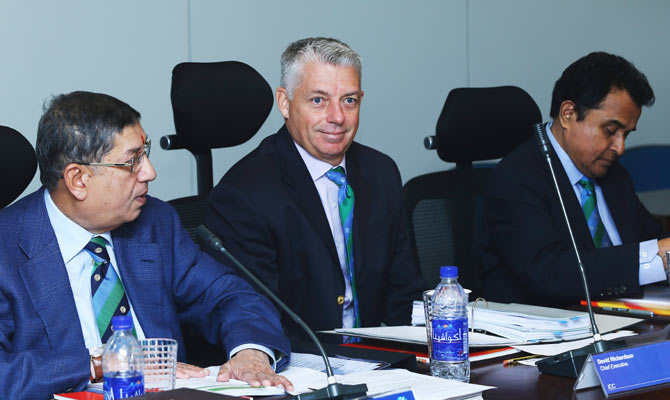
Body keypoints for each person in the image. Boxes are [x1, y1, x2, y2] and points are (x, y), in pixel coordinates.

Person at [0, 91, 293, 399]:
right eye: (132, 161)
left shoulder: (154, 223)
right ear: (78, 179)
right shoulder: (7, 247)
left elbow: (230, 295)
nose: (150, 172)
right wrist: (105, 363)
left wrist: (252, 352)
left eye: (146, 153)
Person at [206, 37, 426, 344]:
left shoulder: (380, 172)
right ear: (285, 102)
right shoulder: (245, 193)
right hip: (301, 365)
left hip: (381, 360)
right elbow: (253, 318)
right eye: (318, 101)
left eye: (349, 100)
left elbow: (405, 296)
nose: (337, 117)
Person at [480, 52, 670, 306]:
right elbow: (550, 273)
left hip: (630, 324)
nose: (620, 147)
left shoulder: (613, 174)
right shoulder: (516, 177)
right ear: (568, 114)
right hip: (551, 332)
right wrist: (658, 256)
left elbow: (651, 241)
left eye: (627, 134)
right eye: (611, 131)